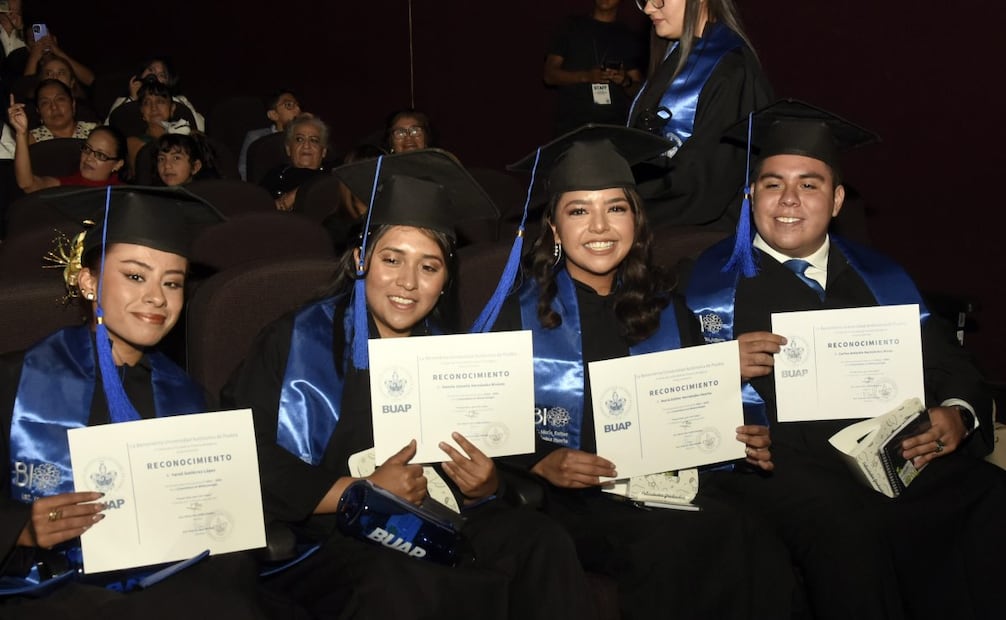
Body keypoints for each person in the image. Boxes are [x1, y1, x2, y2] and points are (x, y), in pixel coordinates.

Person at [223, 149, 595, 620]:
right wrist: (358, 491)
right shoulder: (296, 340)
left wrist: (487, 484)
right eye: (392, 259)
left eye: (429, 266)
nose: (408, 282)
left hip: (436, 519)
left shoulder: (449, 353)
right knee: (401, 579)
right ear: (361, 259)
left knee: (541, 541)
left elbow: (489, 456)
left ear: (445, 280)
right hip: (330, 534)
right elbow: (244, 456)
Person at [684, 100, 1006, 620]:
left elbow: (949, 361)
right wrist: (716, 365)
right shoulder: (703, 284)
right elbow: (660, 391)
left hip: (890, 451)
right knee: (847, 521)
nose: (788, 199)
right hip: (775, 465)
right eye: (772, 183)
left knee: (989, 495)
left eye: (809, 184)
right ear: (750, 196)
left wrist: (956, 413)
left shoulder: (881, 276)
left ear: (836, 200)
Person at [496, 125, 792, 619]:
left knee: (753, 530)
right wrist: (541, 461)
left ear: (635, 219)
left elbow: (697, 411)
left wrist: (739, 435)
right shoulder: (515, 316)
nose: (599, 227)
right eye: (578, 211)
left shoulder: (665, 307)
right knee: (671, 543)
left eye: (615, 208)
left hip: (660, 486)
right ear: (553, 229)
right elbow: (479, 425)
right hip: (570, 500)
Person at [0, 187, 282, 619]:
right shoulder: (16, 380)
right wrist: (19, 527)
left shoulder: (189, 398)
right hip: (46, 591)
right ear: (88, 281)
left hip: (171, 587)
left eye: (172, 282)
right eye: (135, 276)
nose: (157, 297)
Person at [627, 0, 772, 230]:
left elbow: (703, 182)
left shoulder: (731, 70)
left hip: (697, 241)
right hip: (661, 226)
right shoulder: (673, 54)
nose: (648, 8)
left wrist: (621, 205)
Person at [543, 0, 644, 136]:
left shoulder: (628, 36)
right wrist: (586, 76)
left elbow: (640, 92)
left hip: (614, 130)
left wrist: (625, 80)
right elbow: (549, 75)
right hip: (572, 128)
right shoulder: (571, 26)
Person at [9, 94, 126, 192]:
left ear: (118, 164)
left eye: (101, 155)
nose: (89, 158)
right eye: (87, 149)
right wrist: (21, 133)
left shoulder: (125, 195)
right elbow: (28, 184)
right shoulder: (67, 185)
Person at [105, 57, 204, 131]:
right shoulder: (124, 100)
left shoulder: (180, 100)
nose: (153, 76)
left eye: (161, 75)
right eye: (151, 70)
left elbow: (199, 128)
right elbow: (108, 128)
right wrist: (134, 100)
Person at [258, 113, 330, 211]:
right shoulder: (274, 175)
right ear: (288, 149)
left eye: (314, 140)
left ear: (323, 151)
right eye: (299, 139)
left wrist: (298, 193)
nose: (306, 145)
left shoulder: (332, 176)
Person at [238, 89, 301, 181]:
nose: (298, 109)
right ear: (273, 114)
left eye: (298, 105)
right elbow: (244, 171)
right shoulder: (258, 137)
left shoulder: (303, 138)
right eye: (289, 105)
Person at [27, 78, 96, 143]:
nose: (54, 107)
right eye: (45, 103)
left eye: (60, 99)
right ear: (38, 111)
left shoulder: (94, 132)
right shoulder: (29, 140)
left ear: (73, 104)